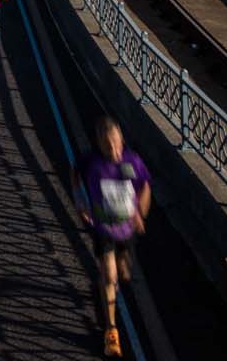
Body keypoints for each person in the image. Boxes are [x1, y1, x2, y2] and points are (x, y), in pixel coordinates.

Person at [73, 117, 152, 358]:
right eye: (108, 146)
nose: (115, 151)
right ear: (99, 143)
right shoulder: (91, 161)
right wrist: (80, 202)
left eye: (117, 144)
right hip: (103, 229)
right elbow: (75, 174)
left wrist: (140, 212)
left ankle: (108, 280)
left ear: (122, 140)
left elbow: (145, 185)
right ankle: (111, 330)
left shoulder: (132, 160)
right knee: (110, 277)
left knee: (124, 274)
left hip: (126, 229)